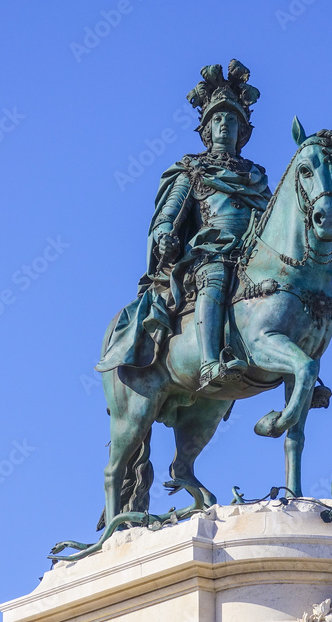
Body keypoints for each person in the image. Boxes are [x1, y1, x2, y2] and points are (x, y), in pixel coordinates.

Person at [97, 60, 272, 392]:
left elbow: (273, 218)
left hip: (253, 252)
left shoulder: (258, 176)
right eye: (217, 119)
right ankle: (209, 363)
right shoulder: (192, 169)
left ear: (241, 130)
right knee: (216, 275)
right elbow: (169, 214)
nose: (224, 125)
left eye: (231, 120)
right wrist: (164, 235)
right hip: (210, 252)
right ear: (207, 130)